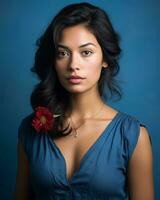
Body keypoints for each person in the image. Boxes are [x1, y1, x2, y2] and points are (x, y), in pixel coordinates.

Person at [14, 2, 154, 200]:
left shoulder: (133, 136)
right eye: (63, 53)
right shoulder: (30, 129)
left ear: (105, 59)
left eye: (86, 52)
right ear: (53, 61)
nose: (73, 65)